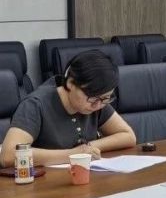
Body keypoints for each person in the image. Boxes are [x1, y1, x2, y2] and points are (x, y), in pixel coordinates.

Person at [1, 50, 136, 166]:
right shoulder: (35, 105)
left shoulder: (98, 101)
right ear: (71, 83)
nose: (97, 105)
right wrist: (72, 155)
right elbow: (9, 155)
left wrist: (88, 148)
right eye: (92, 98)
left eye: (106, 98)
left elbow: (128, 136)